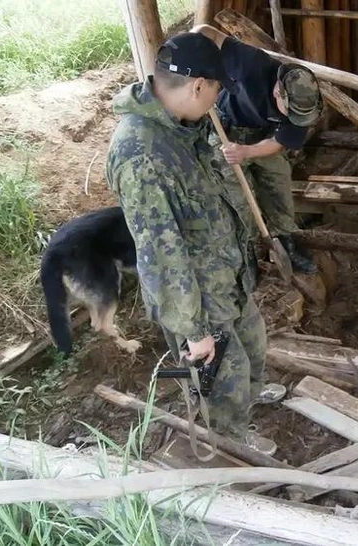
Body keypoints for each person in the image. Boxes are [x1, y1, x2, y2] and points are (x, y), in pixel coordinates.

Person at [105, 32, 287, 456]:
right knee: (224, 379)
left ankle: (246, 404)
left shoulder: (185, 127)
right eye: (218, 88)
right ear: (198, 86)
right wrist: (194, 331)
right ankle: (231, 446)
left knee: (253, 351)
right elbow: (161, 256)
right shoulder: (142, 154)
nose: (219, 98)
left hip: (228, 278)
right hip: (198, 299)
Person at [191, 23, 323, 276]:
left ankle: (287, 243)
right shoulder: (251, 62)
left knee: (279, 183)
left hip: (263, 137)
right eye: (291, 112)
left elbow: (280, 142)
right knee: (236, 197)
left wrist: (247, 152)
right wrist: (194, 54)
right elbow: (204, 30)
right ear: (277, 91)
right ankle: (248, 253)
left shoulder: (306, 103)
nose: (296, 118)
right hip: (226, 131)